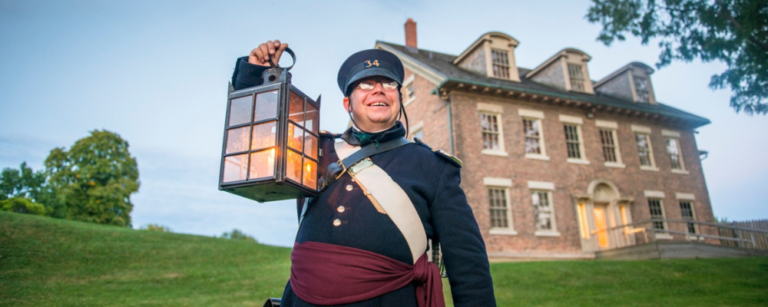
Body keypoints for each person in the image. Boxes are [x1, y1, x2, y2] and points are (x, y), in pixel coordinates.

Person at [232, 40, 496, 307]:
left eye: (389, 84)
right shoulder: (313, 150)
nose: (379, 90)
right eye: (366, 85)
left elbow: (468, 264)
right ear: (348, 102)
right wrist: (259, 80)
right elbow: (255, 139)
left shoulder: (433, 166)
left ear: (399, 99)